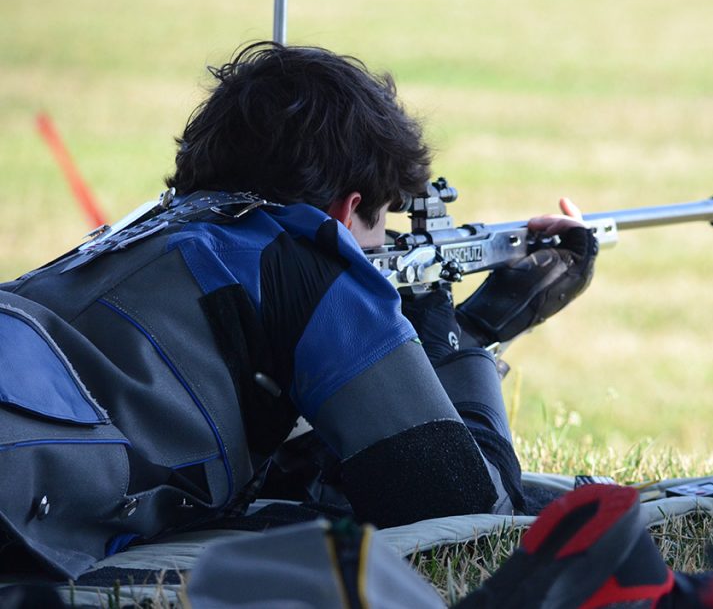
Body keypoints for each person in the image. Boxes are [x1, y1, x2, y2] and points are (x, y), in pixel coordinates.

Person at [0, 41, 598, 579]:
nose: (377, 256)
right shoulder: (303, 258)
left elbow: (298, 461)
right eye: (380, 228)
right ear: (346, 210)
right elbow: (468, 515)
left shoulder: (137, 235)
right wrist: (466, 339)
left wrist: (462, 330)